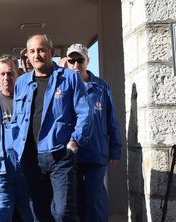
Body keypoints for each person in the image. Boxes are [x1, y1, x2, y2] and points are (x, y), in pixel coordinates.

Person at [11, 35, 91, 222]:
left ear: (51, 52)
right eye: (32, 51)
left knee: (63, 212)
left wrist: (74, 142)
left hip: (60, 155)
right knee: (39, 213)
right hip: (31, 157)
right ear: (27, 56)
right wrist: (16, 145)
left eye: (41, 50)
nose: (36, 55)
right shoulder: (22, 82)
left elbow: (85, 113)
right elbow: (15, 120)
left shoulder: (70, 78)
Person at [65, 43, 121, 222]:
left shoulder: (101, 87)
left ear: (87, 61)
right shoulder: (63, 87)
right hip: (71, 154)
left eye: (79, 60)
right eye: (72, 61)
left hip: (96, 152)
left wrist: (115, 148)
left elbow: (111, 119)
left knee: (94, 198)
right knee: (76, 200)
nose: (76, 64)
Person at [0, 55, 33, 222]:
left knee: (31, 215)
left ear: (18, 74)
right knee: (1, 215)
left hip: (25, 170)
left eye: (10, 73)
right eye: (2, 74)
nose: (6, 78)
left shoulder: (29, 102)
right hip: (0, 172)